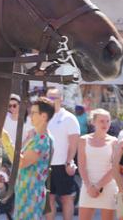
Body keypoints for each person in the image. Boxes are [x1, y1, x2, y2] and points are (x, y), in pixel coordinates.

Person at [13, 97, 55, 219]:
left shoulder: (42, 140)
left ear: (44, 116)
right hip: (27, 192)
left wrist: (6, 142)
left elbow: (21, 162)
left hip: (30, 194)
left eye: (33, 113)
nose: (30, 115)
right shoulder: (40, 137)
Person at [45, 87, 80, 220]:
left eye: (54, 97)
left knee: (66, 198)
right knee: (49, 199)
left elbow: (74, 143)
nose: (51, 100)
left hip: (63, 165)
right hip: (46, 165)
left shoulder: (69, 118)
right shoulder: (44, 116)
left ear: (61, 99)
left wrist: (69, 162)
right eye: (49, 97)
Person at [77, 108, 118, 220]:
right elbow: (81, 166)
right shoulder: (83, 140)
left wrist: (98, 186)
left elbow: (114, 168)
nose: (105, 124)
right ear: (93, 122)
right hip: (87, 186)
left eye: (107, 121)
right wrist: (89, 186)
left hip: (108, 186)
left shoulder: (114, 141)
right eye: (101, 121)